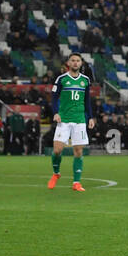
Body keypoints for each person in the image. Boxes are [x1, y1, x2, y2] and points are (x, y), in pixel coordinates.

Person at [48, 53, 95, 191]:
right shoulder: (61, 79)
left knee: (78, 151)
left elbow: (87, 101)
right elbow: (54, 97)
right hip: (64, 119)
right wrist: (56, 113)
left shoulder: (85, 80)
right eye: (73, 60)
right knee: (57, 150)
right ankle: (56, 173)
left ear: (81, 63)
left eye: (78, 61)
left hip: (79, 120)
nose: (75, 63)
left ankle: (76, 183)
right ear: (68, 63)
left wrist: (90, 117)